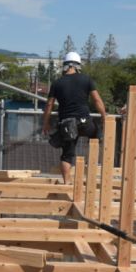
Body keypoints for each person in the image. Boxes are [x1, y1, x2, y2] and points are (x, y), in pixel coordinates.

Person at [42, 51, 107, 184]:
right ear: (78, 66)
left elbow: (49, 104)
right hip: (85, 122)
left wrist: (46, 123)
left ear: (65, 66)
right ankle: (93, 166)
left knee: (67, 155)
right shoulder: (86, 79)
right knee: (96, 135)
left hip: (67, 124)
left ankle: (67, 183)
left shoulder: (57, 83)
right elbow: (97, 100)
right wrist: (104, 117)